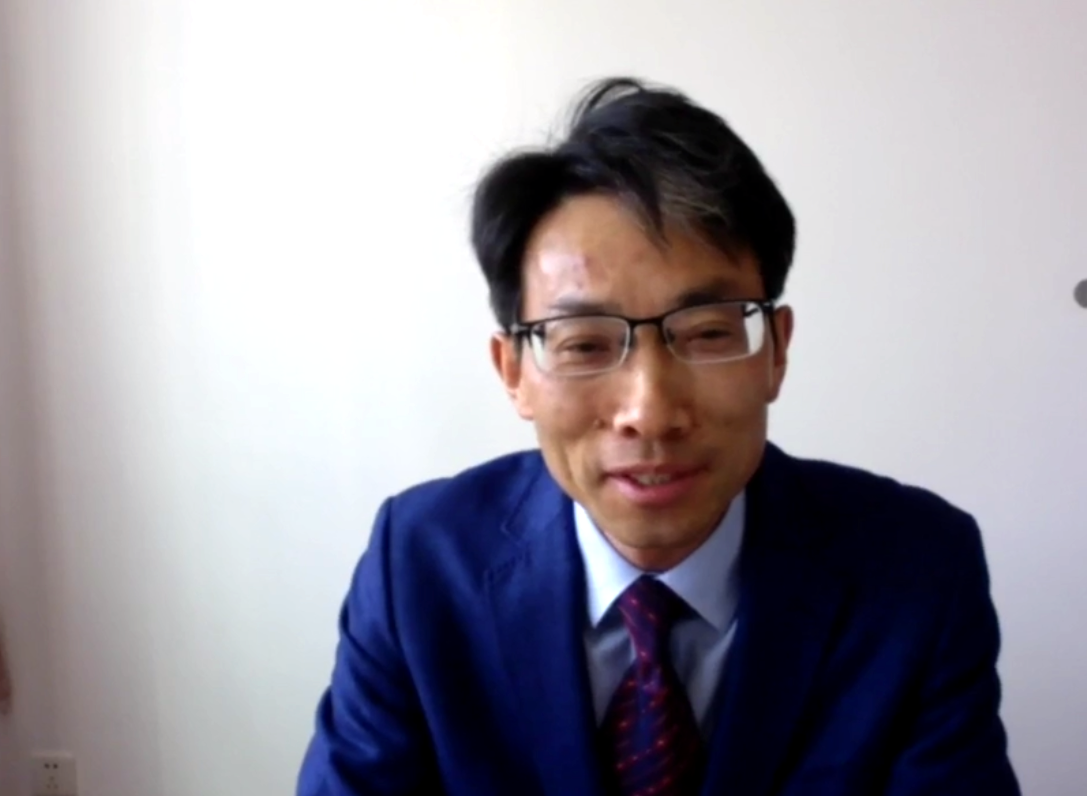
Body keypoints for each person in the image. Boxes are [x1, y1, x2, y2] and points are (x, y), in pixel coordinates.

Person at [296, 77, 1020, 795]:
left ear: (776, 350)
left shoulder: (918, 572)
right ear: (513, 371)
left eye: (706, 333)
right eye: (584, 343)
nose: (649, 410)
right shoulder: (418, 566)